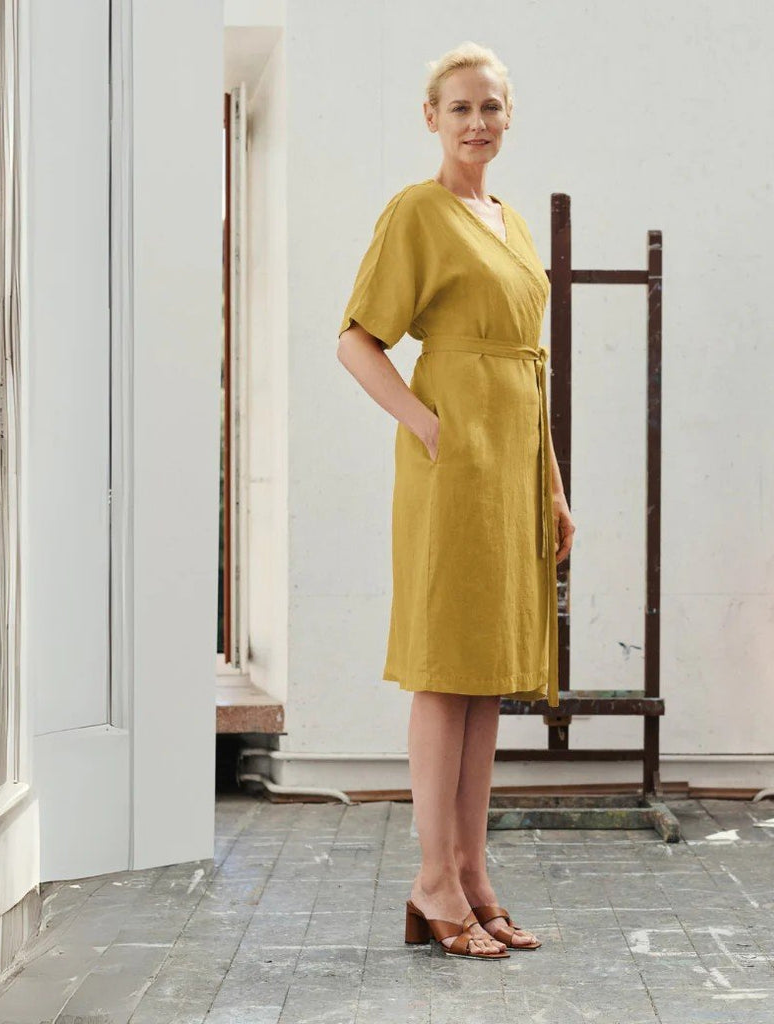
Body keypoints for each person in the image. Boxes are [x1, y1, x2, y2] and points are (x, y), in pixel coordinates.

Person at [336, 41, 575, 960]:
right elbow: (358, 340)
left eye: (491, 108)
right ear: (430, 118)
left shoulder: (510, 222)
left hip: (512, 464)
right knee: (445, 669)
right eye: (461, 108)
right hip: (451, 462)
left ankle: (471, 876)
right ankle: (432, 879)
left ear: (509, 119)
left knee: (487, 674)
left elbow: (529, 366)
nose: (478, 122)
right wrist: (426, 424)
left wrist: (549, 484)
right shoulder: (416, 212)